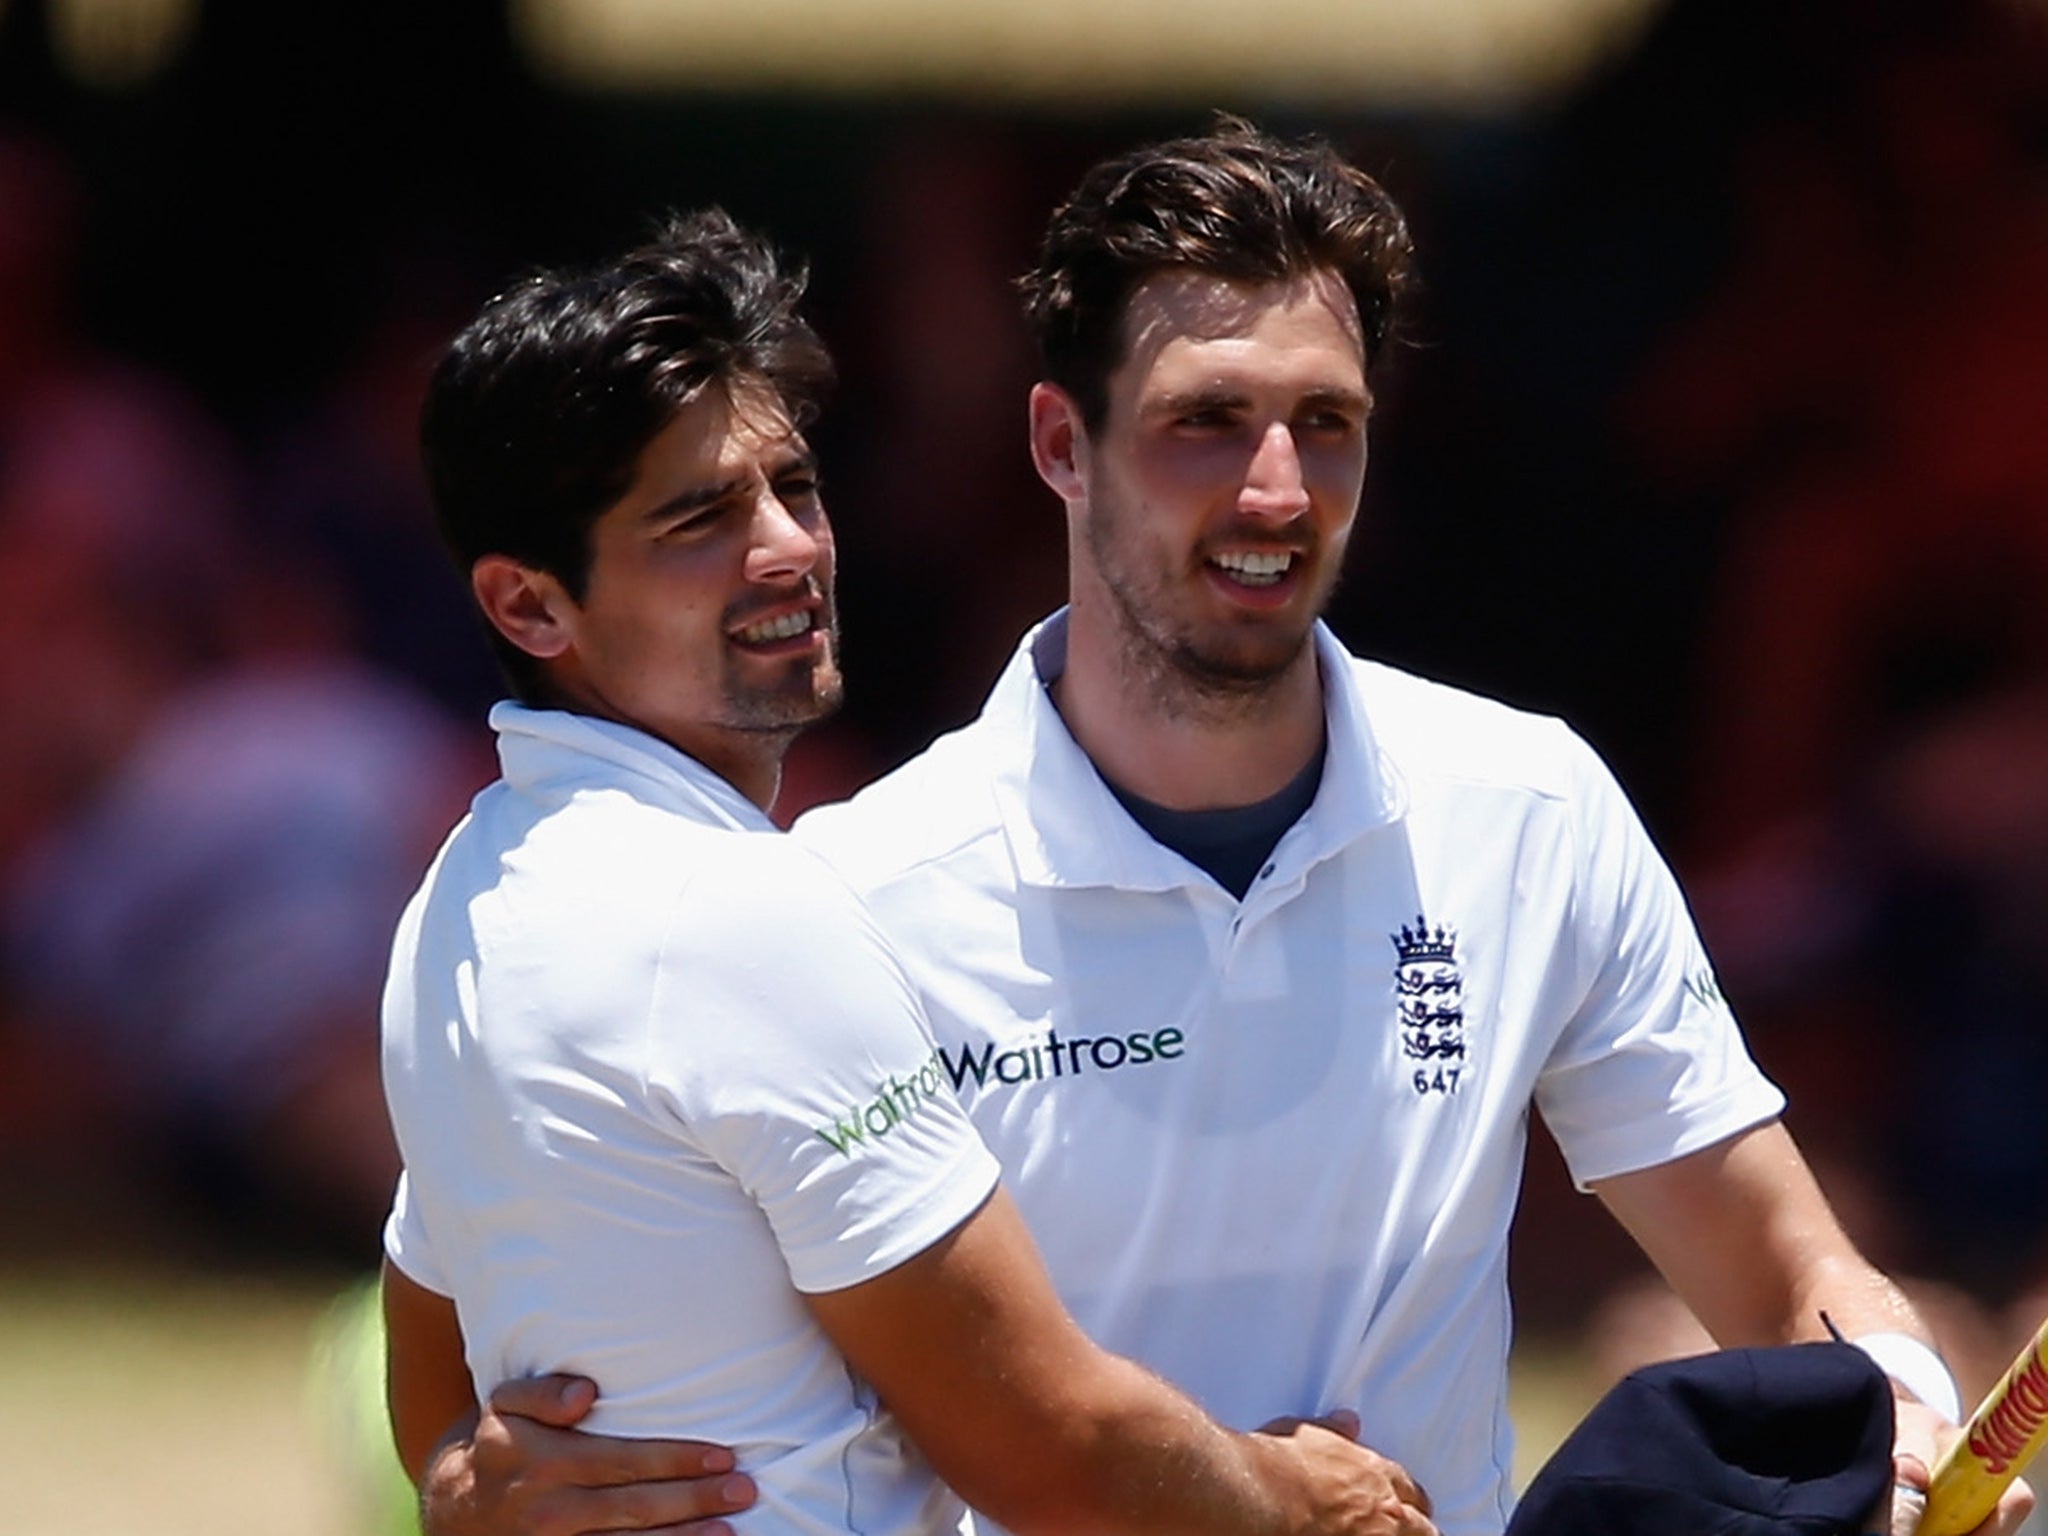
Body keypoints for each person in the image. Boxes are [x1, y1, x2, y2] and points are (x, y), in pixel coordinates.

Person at [393, 125, 2035, 1536]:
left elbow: (1779, 1259)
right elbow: (460, 1290)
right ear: (1061, 444)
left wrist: (1900, 1406)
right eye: (1206, 422)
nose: (1275, 491)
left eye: (1326, 423)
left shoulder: (1528, 810)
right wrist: (461, 1478)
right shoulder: (840, 900)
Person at [378, 204, 1444, 1536]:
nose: (789, 547)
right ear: (530, 604)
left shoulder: (463, 899)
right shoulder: (725, 915)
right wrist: (1305, 1498)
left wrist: (456, 1481)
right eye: (699, 518)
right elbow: (1041, 1443)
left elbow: (433, 1354)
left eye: (793, 486)